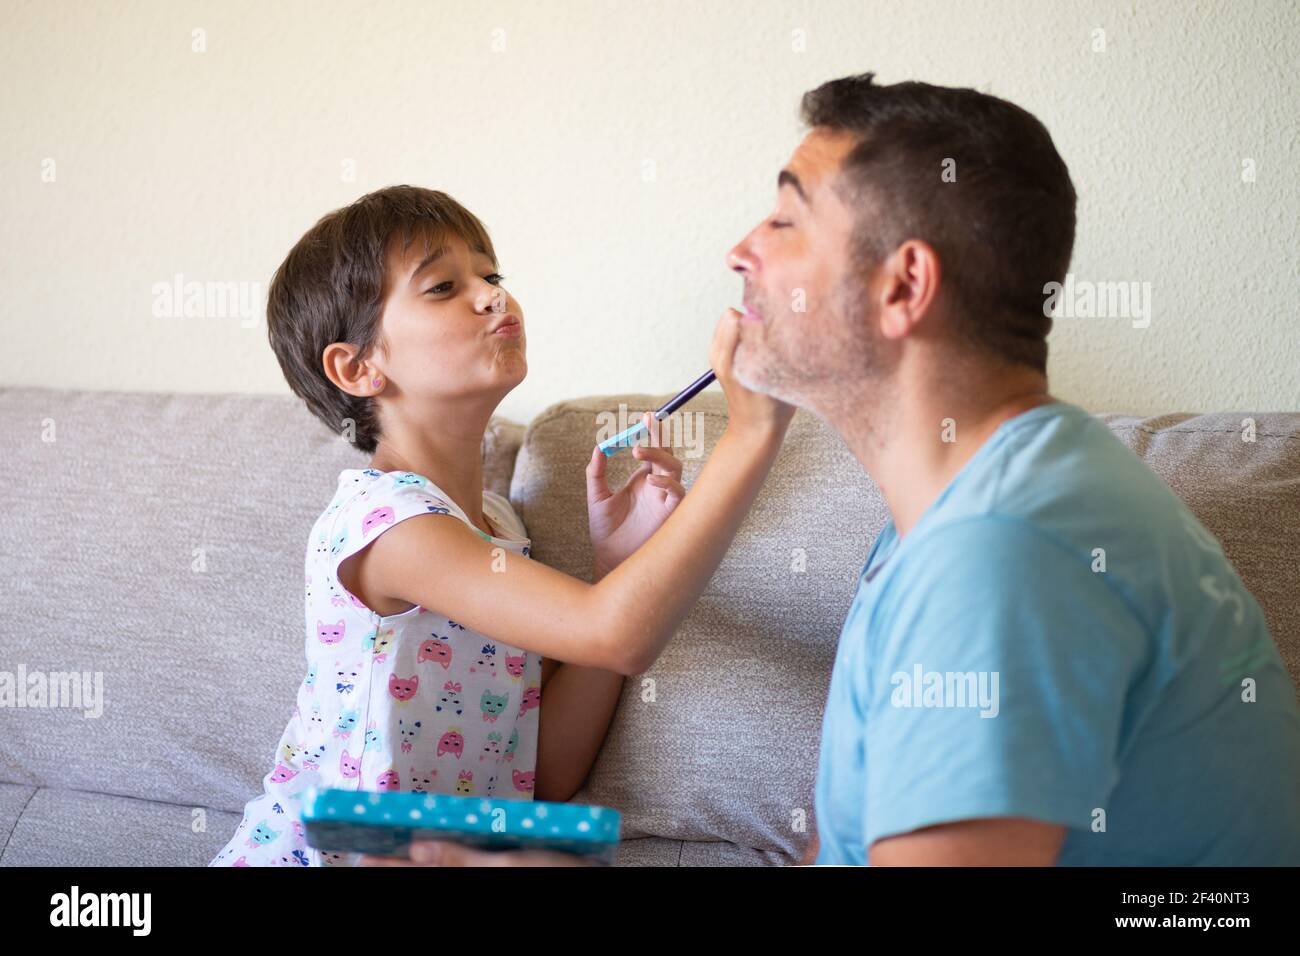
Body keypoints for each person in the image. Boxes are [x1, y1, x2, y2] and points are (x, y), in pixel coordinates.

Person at [209, 185, 793, 866]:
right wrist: (751, 431)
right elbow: (619, 633)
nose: (492, 296)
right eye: (442, 286)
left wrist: (614, 570)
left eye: (491, 275)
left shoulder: (496, 528)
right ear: (359, 366)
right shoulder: (390, 526)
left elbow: (542, 776)